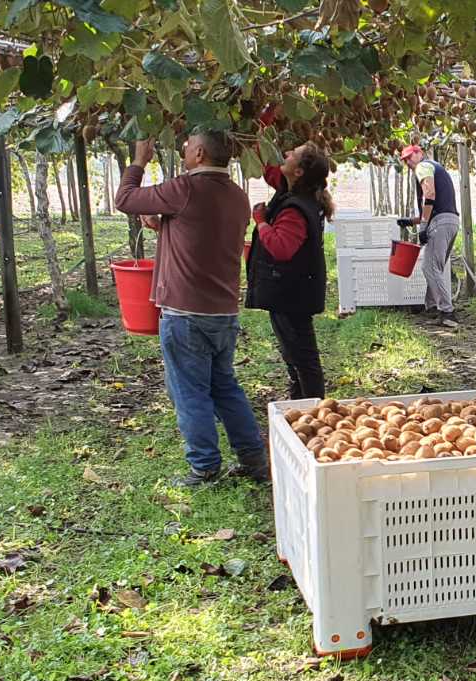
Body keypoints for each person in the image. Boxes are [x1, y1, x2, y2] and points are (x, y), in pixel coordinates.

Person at [114, 132, 268, 487]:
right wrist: (164, 224)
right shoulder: (237, 195)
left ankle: (204, 468)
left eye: (187, 145)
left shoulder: (184, 189)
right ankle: (253, 459)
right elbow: (204, 235)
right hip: (223, 312)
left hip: (186, 313)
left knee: (189, 392)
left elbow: (124, 199)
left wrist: (139, 160)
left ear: (199, 153)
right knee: (225, 387)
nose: (182, 148)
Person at [246, 143, 334, 400]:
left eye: (291, 154)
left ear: (298, 172)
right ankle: (300, 404)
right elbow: (269, 167)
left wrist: (261, 222)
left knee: (303, 358)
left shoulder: (296, 208)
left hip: (291, 294)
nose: (285, 154)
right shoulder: (296, 192)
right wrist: (264, 125)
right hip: (293, 291)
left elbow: (281, 248)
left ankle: (315, 411)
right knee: (294, 354)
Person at [396, 145, 461, 329]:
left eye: (410, 157)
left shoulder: (423, 166)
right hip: (451, 221)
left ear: (420, 153)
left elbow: (430, 194)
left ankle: (448, 313)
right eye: (405, 160)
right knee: (436, 266)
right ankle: (432, 307)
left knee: (429, 267)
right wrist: (412, 221)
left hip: (439, 223)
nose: (408, 162)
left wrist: (424, 225)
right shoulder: (436, 167)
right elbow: (437, 203)